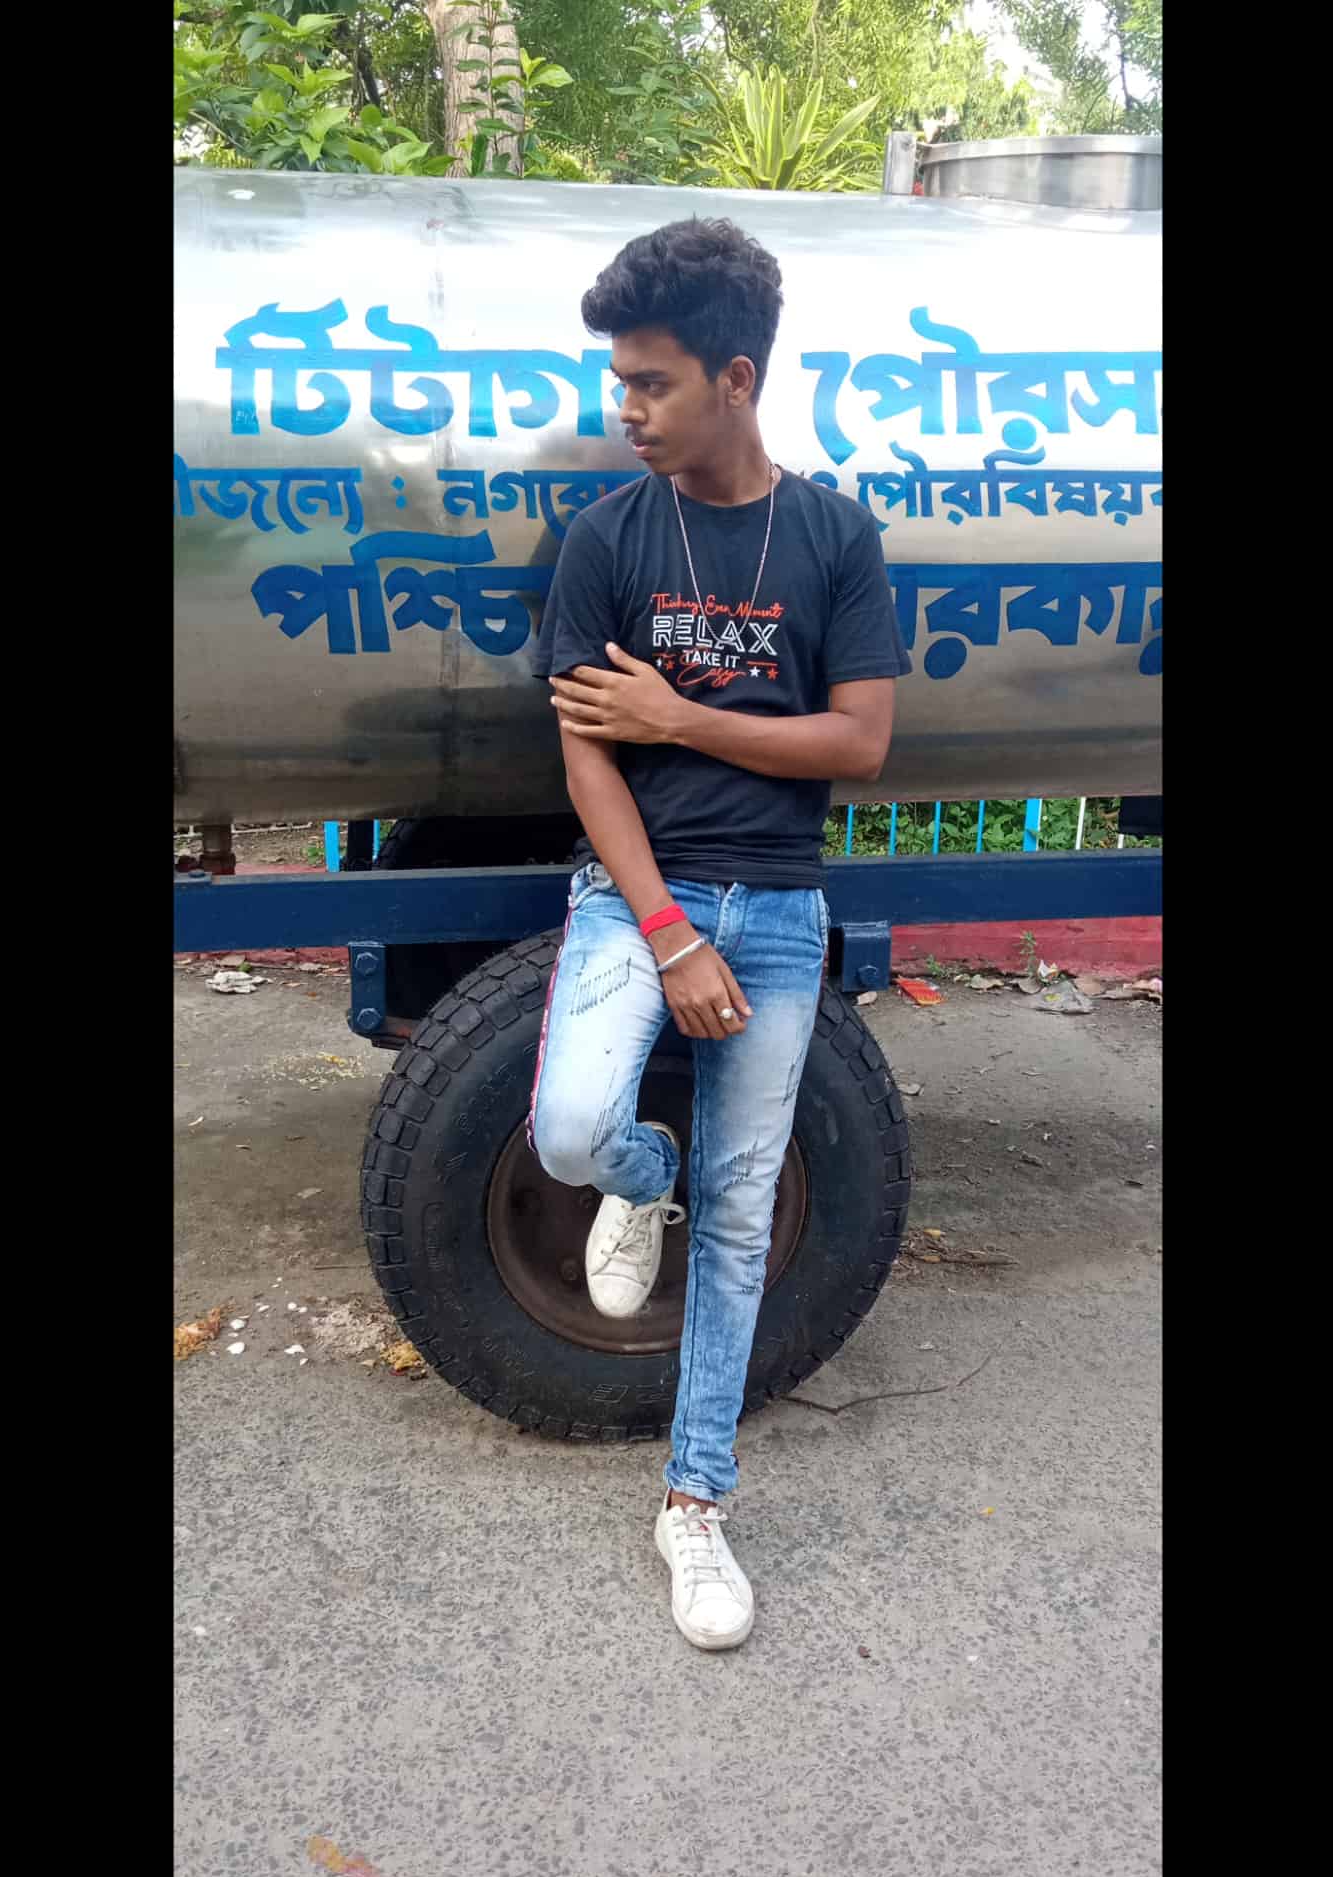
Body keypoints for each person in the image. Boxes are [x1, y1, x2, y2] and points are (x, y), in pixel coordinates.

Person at [527, 216, 905, 1651]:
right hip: (639, 896)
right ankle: (644, 1176)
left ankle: (695, 1502)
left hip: (783, 907)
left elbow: (859, 743)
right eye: (619, 381)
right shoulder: (610, 537)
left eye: (652, 382)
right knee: (572, 1131)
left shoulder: (833, 537)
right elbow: (587, 760)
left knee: (744, 1220)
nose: (626, 408)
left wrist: (680, 716)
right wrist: (673, 934)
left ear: (735, 379)